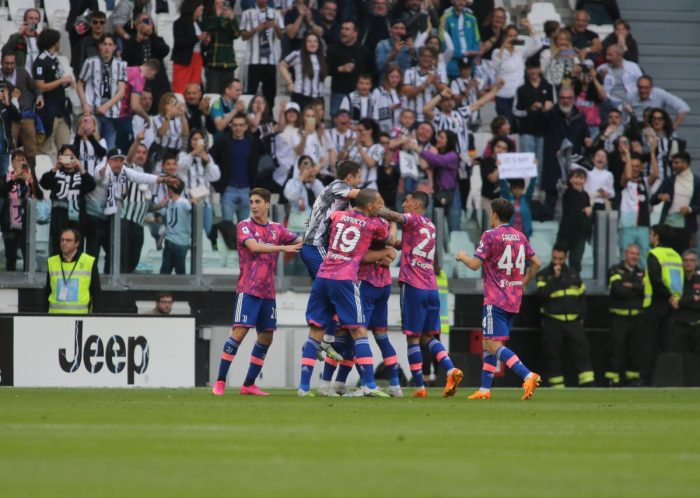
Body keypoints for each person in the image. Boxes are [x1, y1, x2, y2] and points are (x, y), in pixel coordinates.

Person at [298, 188, 395, 397]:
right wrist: (390, 234)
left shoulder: (338, 216)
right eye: (378, 203)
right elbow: (390, 240)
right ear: (369, 206)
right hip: (345, 278)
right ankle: (369, 385)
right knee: (359, 330)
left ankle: (304, 388)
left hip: (324, 275)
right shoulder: (373, 224)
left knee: (316, 330)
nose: (380, 207)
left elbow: (326, 218)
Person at [212, 188, 302, 396]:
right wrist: (282, 249)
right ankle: (220, 381)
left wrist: (312, 239)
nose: (253, 205)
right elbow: (255, 247)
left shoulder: (277, 229)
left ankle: (249, 384)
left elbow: (299, 242)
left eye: (258, 201)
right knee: (240, 332)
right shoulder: (244, 226)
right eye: (251, 201)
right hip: (248, 289)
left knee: (266, 337)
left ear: (267, 204)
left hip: (268, 292)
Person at [377, 191, 463, 398]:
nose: (404, 204)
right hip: (431, 287)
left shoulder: (411, 219)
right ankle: (451, 369)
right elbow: (405, 244)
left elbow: (397, 217)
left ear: (416, 205)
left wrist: (376, 209)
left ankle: (419, 388)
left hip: (413, 286)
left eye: (406, 201)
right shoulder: (430, 225)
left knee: (413, 339)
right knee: (428, 337)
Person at [455, 197, 542, 399]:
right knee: (488, 343)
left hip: (496, 300)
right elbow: (536, 262)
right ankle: (485, 389)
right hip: (514, 299)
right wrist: (524, 282)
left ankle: (528, 375)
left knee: (493, 345)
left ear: (494, 214)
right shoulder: (520, 236)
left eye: (490, 213)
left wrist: (462, 256)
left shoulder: (490, 236)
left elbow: (475, 265)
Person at [535, 246, 595, 388]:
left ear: (566, 258)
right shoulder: (544, 275)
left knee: (582, 353)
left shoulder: (574, 274)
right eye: (554, 258)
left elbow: (581, 297)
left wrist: (582, 316)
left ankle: (588, 387)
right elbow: (542, 295)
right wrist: (554, 279)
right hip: (553, 321)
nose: (557, 262)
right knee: (553, 356)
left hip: (574, 322)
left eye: (560, 259)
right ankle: (557, 390)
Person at [642, 223, 683, 384]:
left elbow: (655, 279)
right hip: (673, 306)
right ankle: (666, 380)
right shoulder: (676, 255)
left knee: (649, 344)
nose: (650, 237)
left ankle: (647, 380)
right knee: (667, 344)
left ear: (657, 236)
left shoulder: (655, 254)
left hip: (656, 303)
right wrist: (674, 298)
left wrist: (668, 296)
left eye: (651, 234)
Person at [541, 85, 591, 212]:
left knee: (573, 204)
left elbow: (586, 137)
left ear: (574, 99)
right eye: (563, 98)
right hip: (553, 164)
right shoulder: (550, 114)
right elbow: (537, 126)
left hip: (572, 166)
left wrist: (588, 139)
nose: (566, 101)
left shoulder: (580, 117)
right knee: (550, 202)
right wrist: (544, 111)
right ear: (558, 99)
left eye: (569, 98)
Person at [40, 145, 96, 255]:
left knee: (76, 252)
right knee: (57, 251)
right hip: (58, 219)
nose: (69, 160)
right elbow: (44, 183)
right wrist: (55, 167)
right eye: (65, 156)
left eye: (72, 157)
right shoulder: (55, 173)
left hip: (77, 220)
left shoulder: (81, 175)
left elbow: (91, 185)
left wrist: (80, 168)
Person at [76, 33, 128, 150]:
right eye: (104, 44)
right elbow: (80, 84)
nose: (107, 47)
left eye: (110, 44)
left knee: (109, 148)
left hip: (111, 113)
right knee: (92, 146)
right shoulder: (90, 62)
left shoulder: (121, 64)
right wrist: (84, 103)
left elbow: (121, 91)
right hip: (93, 112)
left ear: (114, 47)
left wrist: (106, 105)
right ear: (99, 46)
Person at [606, 243, 646, 386]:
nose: (634, 256)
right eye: (632, 253)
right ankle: (613, 380)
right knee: (616, 349)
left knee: (635, 350)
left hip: (637, 318)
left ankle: (633, 379)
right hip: (619, 318)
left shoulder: (642, 272)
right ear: (625, 255)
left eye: (637, 254)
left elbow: (646, 291)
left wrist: (631, 285)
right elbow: (618, 291)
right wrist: (637, 288)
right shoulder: (615, 270)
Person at [211, 113, 261, 224]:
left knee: (243, 229)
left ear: (246, 126)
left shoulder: (252, 142)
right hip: (228, 190)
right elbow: (210, 159)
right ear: (231, 126)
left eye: (241, 125)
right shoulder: (223, 142)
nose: (238, 128)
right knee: (227, 227)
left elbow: (255, 165)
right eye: (235, 125)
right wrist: (219, 185)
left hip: (246, 190)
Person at [491, 21, 541, 129]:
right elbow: (495, 66)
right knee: (507, 126)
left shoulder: (520, 51)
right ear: (504, 37)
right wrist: (503, 47)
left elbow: (538, 45)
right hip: (503, 96)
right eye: (510, 36)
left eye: (515, 36)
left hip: (518, 96)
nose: (512, 38)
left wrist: (530, 28)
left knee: (520, 127)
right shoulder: (496, 52)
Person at [32, 29, 73, 160]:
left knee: (65, 149)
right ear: (53, 42)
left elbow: (55, 82)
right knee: (44, 149)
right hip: (49, 111)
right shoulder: (41, 61)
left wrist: (65, 83)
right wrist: (61, 80)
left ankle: (64, 177)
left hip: (62, 109)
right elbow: (40, 86)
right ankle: (43, 177)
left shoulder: (55, 60)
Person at [651, 152, 699, 256]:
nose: (674, 165)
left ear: (685, 163)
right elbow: (653, 200)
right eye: (673, 163)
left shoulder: (696, 182)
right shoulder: (670, 180)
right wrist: (660, 197)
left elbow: (698, 205)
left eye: (677, 163)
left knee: (684, 255)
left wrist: (689, 209)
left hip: (685, 227)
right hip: (668, 226)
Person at [0, 149, 42, 271]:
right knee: (11, 255)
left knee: (28, 255)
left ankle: (28, 281)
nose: (19, 162)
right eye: (16, 159)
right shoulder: (5, 178)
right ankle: (10, 281)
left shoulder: (29, 177)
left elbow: (39, 195)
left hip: (27, 221)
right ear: (12, 163)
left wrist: (31, 181)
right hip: (9, 222)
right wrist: (13, 179)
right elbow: (2, 191)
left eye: (22, 159)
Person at [618, 139, 658, 264]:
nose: (634, 168)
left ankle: (642, 281)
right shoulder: (625, 181)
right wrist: (627, 154)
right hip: (627, 225)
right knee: (626, 255)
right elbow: (628, 175)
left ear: (641, 167)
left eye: (637, 166)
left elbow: (655, 174)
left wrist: (652, 153)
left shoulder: (644, 182)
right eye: (632, 166)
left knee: (644, 257)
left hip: (643, 225)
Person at [0, 50, 42, 168]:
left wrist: (39, 97)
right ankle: (12, 178)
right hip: (9, 117)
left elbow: (35, 88)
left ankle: (32, 177)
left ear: (15, 63)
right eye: (6, 63)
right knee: (10, 146)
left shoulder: (22, 72)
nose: (9, 66)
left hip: (26, 114)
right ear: (1, 62)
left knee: (31, 148)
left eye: (12, 63)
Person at [121, 13, 172, 110]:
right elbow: (126, 59)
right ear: (136, 25)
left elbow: (165, 51)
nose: (145, 25)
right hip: (138, 82)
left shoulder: (157, 40)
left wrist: (151, 35)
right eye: (142, 22)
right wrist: (137, 40)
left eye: (147, 22)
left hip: (157, 82)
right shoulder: (131, 42)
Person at [240, 0, 285, 106]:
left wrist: (276, 26)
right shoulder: (247, 13)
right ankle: (248, 117)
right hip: (253, 60)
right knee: (249, 93)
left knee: (270, 94)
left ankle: (268, 118)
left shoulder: (276, 13)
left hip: (270, 61)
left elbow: (282, 36)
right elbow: (243, 36)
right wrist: (257, 28)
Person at [45, 228, 101, 314]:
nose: (64, 243)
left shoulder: (89, 262)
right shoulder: (52, 262)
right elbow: (47, 292)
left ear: (77, 243)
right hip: (55, 317)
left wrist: (95, 317)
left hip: (80, 317)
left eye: (68, 240)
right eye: (62, 240)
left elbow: (96, 293)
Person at [327, 20, 375, 116]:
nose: (343, 31)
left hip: (359, 94)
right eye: (342, 29)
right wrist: (340, 69)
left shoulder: (364, 51)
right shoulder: (332, 49)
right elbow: (326, 70)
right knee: (338, 122)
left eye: (347, 29)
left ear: (355, 33)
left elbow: (372, 71)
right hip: (339, 93)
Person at [280, 32, 327, 110]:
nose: (312, 44)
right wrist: (289, 82)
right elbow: (282, 65)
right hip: (301, 97)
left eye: (315, 41)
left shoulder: (322, 56)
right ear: (305, 43)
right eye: (309, 41)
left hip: (318, 98)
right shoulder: (297, 54)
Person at [666, 250, 700, 354]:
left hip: (697, 327)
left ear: (696, 263)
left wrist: (682, 301)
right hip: (679, 326)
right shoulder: (675, 280)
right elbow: (673, 303)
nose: (688, 263)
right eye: (685, 260)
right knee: (678, 360)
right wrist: (692, 298)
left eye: (691, 260)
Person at [171, 0, 208, 93]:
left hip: (197, 58)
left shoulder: (199, 23)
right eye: (200, 5)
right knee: (181, 88)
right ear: (193, 6)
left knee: (194, 88)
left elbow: (201, 45)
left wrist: (205, 42)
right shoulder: (180, 22)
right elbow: (179, 43)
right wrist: (197, 38)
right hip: (184, 60)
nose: (202, 7)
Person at [440, 0, 481, 80]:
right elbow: (443, 42)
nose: (461, 2)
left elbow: (477, 40)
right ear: (452, 1)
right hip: (452, 67)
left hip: (469, 66)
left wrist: (473, 52)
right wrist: (461, 54)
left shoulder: (472, 19)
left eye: (463, 0)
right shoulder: (446, 18)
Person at [403, 47, 446, 122]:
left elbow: (445, 92)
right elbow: (407, 94)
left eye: (429, 57)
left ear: (433, 59)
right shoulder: (409, 72)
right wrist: (424, 85)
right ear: (419, 57)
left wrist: (436, 83)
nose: (426, 59)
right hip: (413, 117)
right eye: (424, 56)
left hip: (431, 117)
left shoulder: (439, 73)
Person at [160, 175, 192, 275]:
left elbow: (191, 211)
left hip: (180, 242)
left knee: (170, 271)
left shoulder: (184, 202)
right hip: (173, 240)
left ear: (170, 189)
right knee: (174, 270)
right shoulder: (169, 203)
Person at [597, 44, 642, 108]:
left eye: (610, 55)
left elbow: (642, 83)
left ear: (619, 56)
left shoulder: (633, 67)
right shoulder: (601, 69)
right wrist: (601, 78)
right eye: (606, 55)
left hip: (630, 103)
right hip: (609, 104)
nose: (607, 58)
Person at [1, 8, 42, 74]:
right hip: (22, 75)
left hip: (37, 76)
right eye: (30, 18)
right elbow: (5, 50)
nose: (33, 21)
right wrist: (19, 34)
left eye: (36, 19)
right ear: (25, 20)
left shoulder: (41, 38)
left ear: (38, 21)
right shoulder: (16, 37)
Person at [73, 11, 108, 78]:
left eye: (102, 22)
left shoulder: (110, 42)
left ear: (105, 24)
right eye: (95, 22)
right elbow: (78, 66)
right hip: (88, 82)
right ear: (91, 24)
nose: (98, 24)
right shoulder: (82, 44)